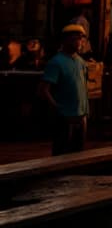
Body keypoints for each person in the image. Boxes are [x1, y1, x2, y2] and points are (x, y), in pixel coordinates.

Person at [38, 23, 90, 155]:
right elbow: (44, 89)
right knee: (62, 153)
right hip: (65, 117)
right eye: (75, 39)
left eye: (80, 39)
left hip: (81, 116)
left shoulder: (80, 62)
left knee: (78, 154)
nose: (79, 42)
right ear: (65, 40)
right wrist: (57, 107)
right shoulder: (56, 62)